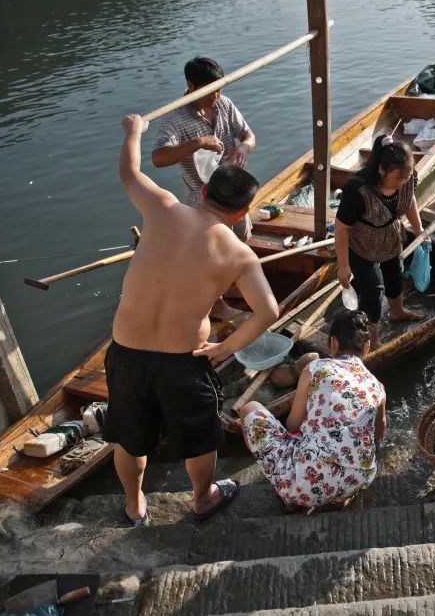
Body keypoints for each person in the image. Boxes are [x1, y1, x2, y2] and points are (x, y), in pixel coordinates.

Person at [104, 115, 279, 527]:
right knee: (199, 437)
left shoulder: (162, 208)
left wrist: (133, 131)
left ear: (202, 192)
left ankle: (134, 507)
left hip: (126, 353)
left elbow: (129, 170)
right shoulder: (239, 254)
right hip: (183, 360)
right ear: (243, 213)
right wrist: (225, 348)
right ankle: (202, 499)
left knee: (129, 437)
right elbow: (268, 311)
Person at [236, 310, 387, 512]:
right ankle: (337, 495)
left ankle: (290, 495)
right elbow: (379, 433)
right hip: (359, 479)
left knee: (249, 409)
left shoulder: (315, 368)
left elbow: (292, 425)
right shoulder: (377, 386)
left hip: (307, 485)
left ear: (332, 343)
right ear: (367, 346)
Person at [152, 57, 257, 319]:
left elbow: (248, 135)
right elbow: (158, 158)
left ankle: (228, 283)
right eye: (210, 91)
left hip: (232, 191)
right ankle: (216, 304)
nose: (217, 96)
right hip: (203, 198)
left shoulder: (224, 104)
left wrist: (243, 148)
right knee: (210, 253)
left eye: (220, 89)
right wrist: (198, 142)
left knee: (242, 236)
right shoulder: (175, 118)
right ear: (191, 86)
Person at [334, 134, 426, 345]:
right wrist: (343, 266)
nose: (402, 182)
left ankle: (397, 311)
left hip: (390, 237)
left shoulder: (408, 178)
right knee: (373, 291)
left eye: (406, 177)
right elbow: (341, 229)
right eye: (397, 178)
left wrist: (419, 228)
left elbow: (409, 197)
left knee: (395, 275)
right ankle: (372, 340)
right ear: (381, 170)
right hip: (362, 243)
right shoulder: (357, 190)